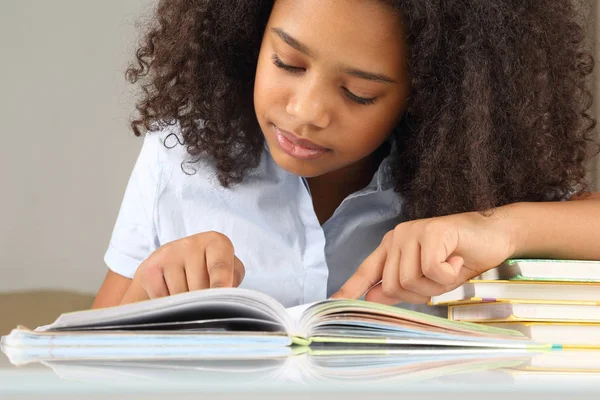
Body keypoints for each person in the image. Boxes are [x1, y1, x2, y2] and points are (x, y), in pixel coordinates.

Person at [92, 0, 600, 311]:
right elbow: (78, 363)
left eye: (358, 93)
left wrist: (497, 228)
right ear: (250, 35)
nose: (306, 112)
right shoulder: (179, 151)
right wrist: (150, 287)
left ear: (428, 94)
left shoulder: (475, 171)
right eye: (287, 63)